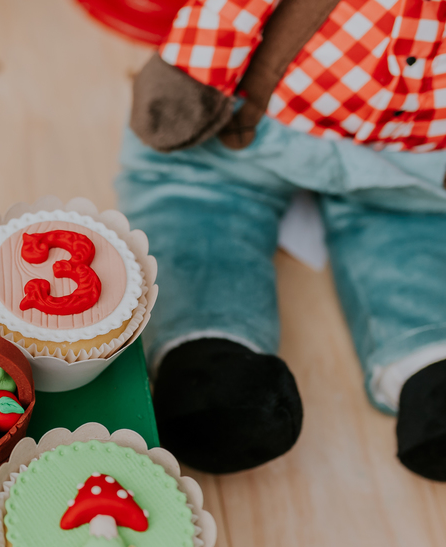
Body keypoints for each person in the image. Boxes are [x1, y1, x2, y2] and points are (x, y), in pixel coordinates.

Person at [118, 0, 446, 479]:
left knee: (413, 231)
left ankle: (429, 361)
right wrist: (191, 73)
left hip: (409, 162)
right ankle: (208, 354)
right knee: (198, 200)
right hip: (257, 128)